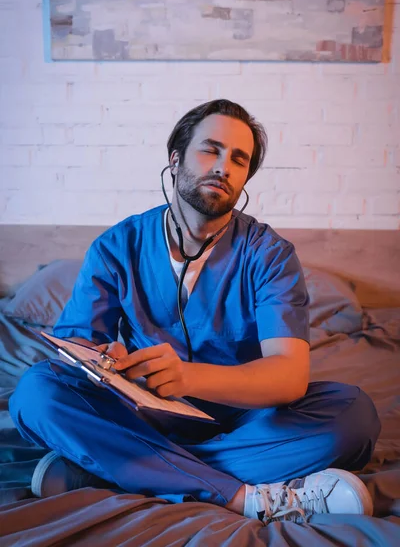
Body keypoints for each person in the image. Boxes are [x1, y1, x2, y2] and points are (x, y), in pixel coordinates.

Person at [9, 99, 381, 524]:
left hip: (247, 420)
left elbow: (289, 376)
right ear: (176, 158)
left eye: (238, 160)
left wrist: (188, 376)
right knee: (37, 392)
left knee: (354, 416)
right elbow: (73, 346)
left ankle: (118, 470)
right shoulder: (118, 246)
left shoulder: (270, 255)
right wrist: (102, 360)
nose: (223, 166)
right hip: (141, 415)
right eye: (211, 149)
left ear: (245, 179)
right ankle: (246, 497)